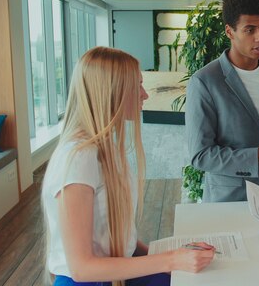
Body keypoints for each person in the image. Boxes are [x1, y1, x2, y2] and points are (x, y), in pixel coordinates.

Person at [42, 47, 215, 286]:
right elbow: (82, 268)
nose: (145, 95)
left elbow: (123, 243)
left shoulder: (105, 149)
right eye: (137, 86)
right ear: (110, 92)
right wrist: (171, 260)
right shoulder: (79, 159)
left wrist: (174, 254)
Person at [185, 0, 259, 202]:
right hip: (233, 198)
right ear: (230, 31)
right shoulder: (205, 81)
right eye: (250, 30)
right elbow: (200, 155)